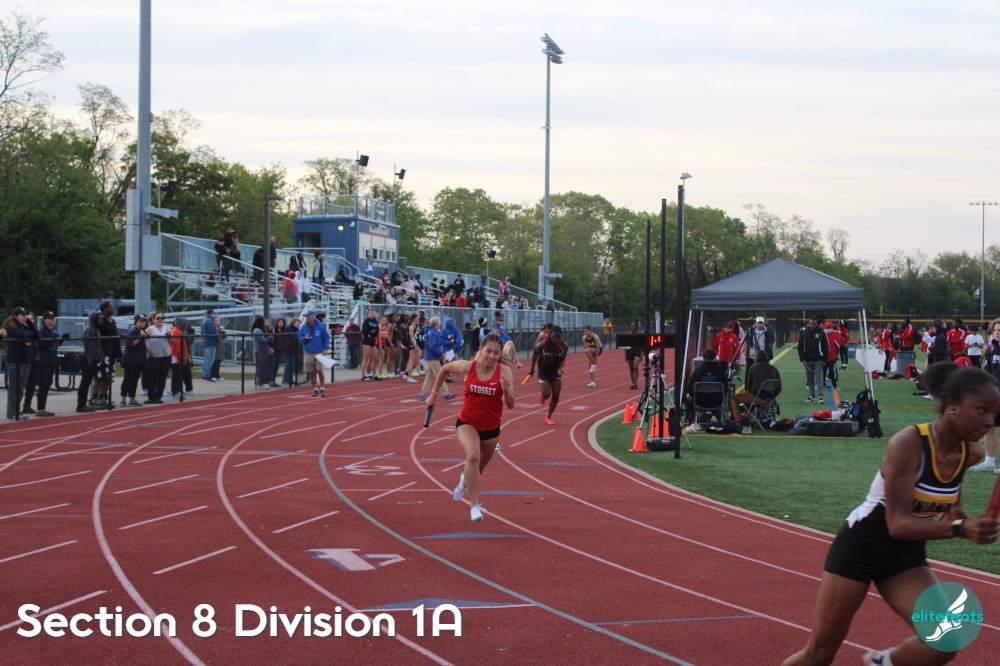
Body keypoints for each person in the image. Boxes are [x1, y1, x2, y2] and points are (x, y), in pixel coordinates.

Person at [782, 362, 1000, 666]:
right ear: (952, 406)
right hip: (862, 546)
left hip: (905, 556)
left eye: (994, 413)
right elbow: (897, 524)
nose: (989, 420)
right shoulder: (908, 444)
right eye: (982, 410)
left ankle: (879, 663)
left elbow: (948, 494)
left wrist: (958, 513)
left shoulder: (971, 453)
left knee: (944, 641)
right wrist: (962, 528)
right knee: (819, 654)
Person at [428, 333, 515, 523]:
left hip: (491, 429)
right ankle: (474, 506)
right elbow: (444, 369)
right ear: (481, 350)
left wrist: (506, 389)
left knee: (477, 469)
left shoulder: (504, 372)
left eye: (496, 353)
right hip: (467, 423)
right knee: (473, 456)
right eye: (488, 351)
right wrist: (433, 396)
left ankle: (463, 481)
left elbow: (511, 404)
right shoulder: (469, 367)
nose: (491, 356)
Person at [971, 317, 1000, 472]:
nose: (997, 333)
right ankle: (989, 462)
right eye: (995, 330)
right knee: (990, 426)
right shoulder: (993, 346)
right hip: (994, 394)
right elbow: (988, 370)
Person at [4, 307, 38, 420]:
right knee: (14, 388)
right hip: (15, 362)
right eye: (22, 315)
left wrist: (29, 322)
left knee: (20, 389)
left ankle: (16, 411)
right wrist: (28, 333)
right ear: (15, 316)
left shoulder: (23, 326)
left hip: (25, 361)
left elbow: (36, 335)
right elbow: (22, 335)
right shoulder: (11, 327)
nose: (24, 317)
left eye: (25, 315)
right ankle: (12, 413)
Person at [530, 324, 568, 425]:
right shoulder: (542, 344)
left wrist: (560, 369)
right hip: (544, 370)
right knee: (547, 395)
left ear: (560, 336)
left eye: (558, 337)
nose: (556, 339)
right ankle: (542, 395)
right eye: (554, 336)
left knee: (556, 394)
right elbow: (534, 355)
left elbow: (562, 360)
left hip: (555, 371)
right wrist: (532, 369)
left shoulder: (564, 346)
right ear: (550, 335)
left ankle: (548, 416)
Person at [730, 354, 782, 423]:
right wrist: (772, 397)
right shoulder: (775, 369)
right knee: (747, 396)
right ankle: (748, 416)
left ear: (756, 359)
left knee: (733, 397)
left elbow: (749, 385)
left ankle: (738, 420)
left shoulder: (753, 367)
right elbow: (779, 388)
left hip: (757, 396)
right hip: (770, 399)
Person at [684, 349, 728, 430]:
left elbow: (691, 390)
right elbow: (725, 388)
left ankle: (693, 421)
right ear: (715, 358)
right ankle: (716, 416)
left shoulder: (697, 371)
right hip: (717, 401)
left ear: (703, 358)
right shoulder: (721, 371)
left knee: (686, 398)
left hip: (699, 402)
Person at [419, 316, 456, 402]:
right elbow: (432, 346)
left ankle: (423, 394)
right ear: (437, 323)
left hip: (430, 356)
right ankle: (446, 394)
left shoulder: (432, 331)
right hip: (433, 357)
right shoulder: (433, 332)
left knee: (429, 377)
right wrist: (440, 353)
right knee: (440, 375)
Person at [34, 311, 61, 417]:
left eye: (53, 318)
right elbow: (40, 344)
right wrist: (50, 341)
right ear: (45, 320)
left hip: (51, 360)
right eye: (50, 318)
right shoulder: (42, 331)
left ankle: (42, 408)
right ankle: (40, 408)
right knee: (43, 384)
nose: (52, 320)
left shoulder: (54, 331)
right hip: (43, 361)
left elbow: (56, 344)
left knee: (48, 383)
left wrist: (62, 339)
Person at [297, 309, 330, 397]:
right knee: (311, 371)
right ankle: (315, 388)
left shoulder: (321, 326)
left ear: (313, 317)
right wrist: (305, 338)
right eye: (306, 316)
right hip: (308, 351)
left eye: (308, 316)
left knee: (319, 370)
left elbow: (326, 338)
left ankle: (322, 387)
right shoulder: (304, 327)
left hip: (319, 351)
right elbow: (300, 339)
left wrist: (326, 348)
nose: (306, 318)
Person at [798, 317, 829, 403]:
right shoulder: (804, 333)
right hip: (807, 360)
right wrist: (802, 358)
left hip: (819, 360)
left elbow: (826, 347)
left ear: (817, 324)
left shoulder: (821, 333)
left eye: (814, 324)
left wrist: (824, 359)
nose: (813, 325)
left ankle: (820, 396)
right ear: (809, 323)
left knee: (819, 377)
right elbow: (800, 346)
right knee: (810, 379)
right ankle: (812, 396)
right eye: (811, 323)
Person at [120, 314, 148, 407]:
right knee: (129, 379)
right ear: (136, 322)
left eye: (144, 321)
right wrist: (140, 337)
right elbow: (131, 344)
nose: (143, 323)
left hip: (138, 360)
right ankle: (124, 399)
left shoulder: (140, 331)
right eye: (141, 321)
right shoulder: (133, 331)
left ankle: (131, 398)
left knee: (134, 379)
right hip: (131, 360)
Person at [144, 312, 171, 404]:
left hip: (165, 355)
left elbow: (173, 341)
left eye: (162, 318)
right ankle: (151, 397)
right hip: (154, 357)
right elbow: (143, 340)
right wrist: (148, 350)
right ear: (153, 319)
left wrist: (169, 336)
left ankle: (158, 396)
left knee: (162, 377)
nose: (160, 320)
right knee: (152, 377)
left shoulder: (167, 328)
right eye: (158, 318)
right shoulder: (150, 329)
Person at [623, 321, 643, 390]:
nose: (633, 326)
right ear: (630, 326)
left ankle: (635, 384)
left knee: (635, 368)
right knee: (631, 369)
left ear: (636, 326)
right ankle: (633, 384)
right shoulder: (627, 334)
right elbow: (625, 346)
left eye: (634, 325)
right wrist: (625, 356)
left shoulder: (638, 334)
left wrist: (641, 355)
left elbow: (641, 345)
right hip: (629, 353)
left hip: (636, 353)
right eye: (632, 325)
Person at [202, 309, 220, 382]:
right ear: (212, 313)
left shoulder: (204, 320)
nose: (214, 315)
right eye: (214, 314)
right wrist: (217, 340)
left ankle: (204, 375)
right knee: (210, 360)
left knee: (207, 359)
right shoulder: (210, 321)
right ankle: (207, 375)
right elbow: (212, 332)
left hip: (206, 342)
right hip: (211, 342)